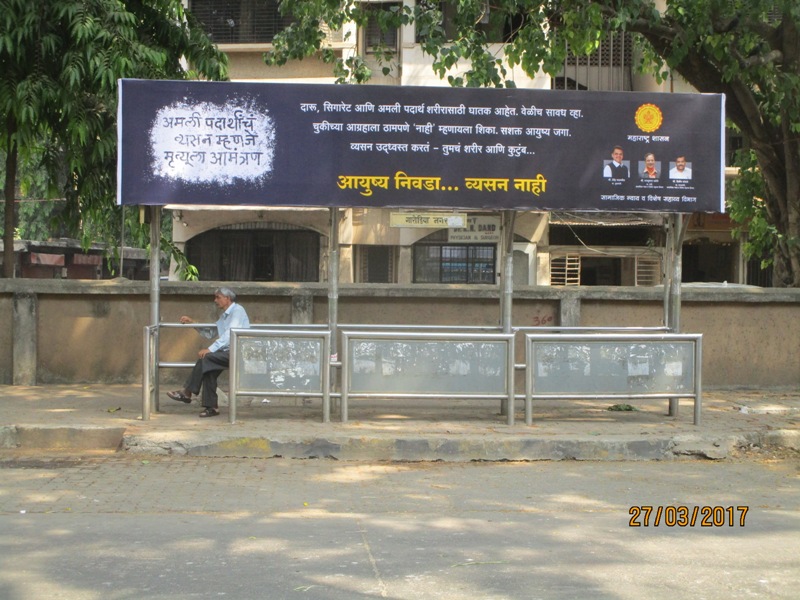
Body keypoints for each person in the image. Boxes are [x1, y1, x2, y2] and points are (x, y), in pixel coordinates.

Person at [167, 287, 250, 418]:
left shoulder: (237, 311)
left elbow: (229, 334)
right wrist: (192, 323)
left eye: (218, 297)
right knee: (208, 368)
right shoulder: (225, 315)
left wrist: (210, 349)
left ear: (227, 298)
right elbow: (211, 332)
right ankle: (212, 407)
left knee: (206, 358)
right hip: (228, 352)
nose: (215, 300)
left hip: (239, 352)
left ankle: (187, 392)